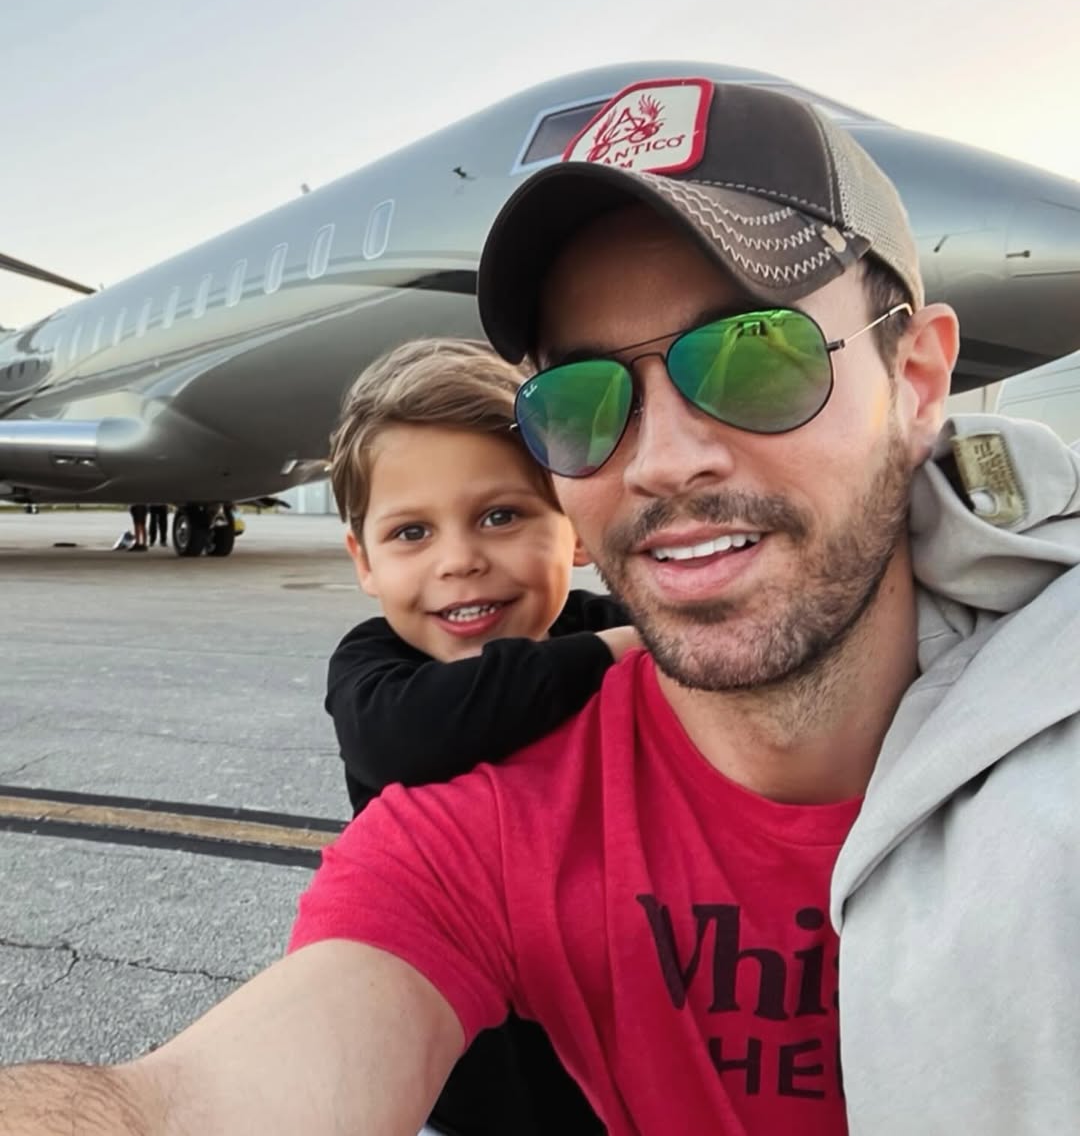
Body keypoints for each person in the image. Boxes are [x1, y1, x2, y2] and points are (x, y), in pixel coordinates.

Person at [2, 78, 1079, 1136]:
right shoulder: (483, 822)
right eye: (581, 398)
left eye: (755, 356)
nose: (662, 461)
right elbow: (193, 1102)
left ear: (919, 379)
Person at [324, 337, 631, 1134]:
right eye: (411, 533)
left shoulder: (612, 624)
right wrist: (616, 654)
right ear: (363, 561)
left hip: (622, 1076)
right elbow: (410, 736)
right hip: (461, 1088)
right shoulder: (375, 669)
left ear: (575, 527)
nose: (459, 561)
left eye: (501, 516)